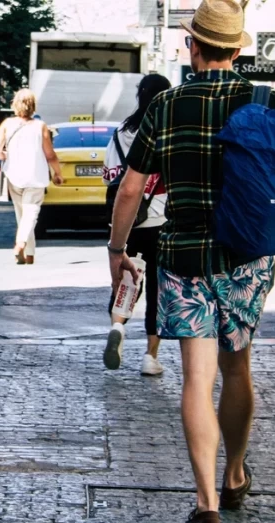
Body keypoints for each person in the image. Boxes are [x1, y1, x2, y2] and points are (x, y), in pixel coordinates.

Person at [107, 0, 275, 523]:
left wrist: (118, 250)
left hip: (182, 257)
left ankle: (205, 504)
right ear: (239, 48)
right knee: (237, 370)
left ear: (193, 45)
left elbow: (132, 188)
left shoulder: (167, 105)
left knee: (196, 379)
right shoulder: (266, 99)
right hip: (246, 258)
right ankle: (234, 473)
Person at [101, 74, 171, 375]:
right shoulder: (166, 131)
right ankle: (150, 357)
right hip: (159, 218)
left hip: (125, 220)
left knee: (128, 279)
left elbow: (108, 175)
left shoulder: (121, 131)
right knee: (156, 288)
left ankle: (118, 326)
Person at [0, 88, 64, 265]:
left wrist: (5, 156)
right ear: (33, 106)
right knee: (30, 213)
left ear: (15, 104)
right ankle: (21, 243)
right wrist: (57, 173)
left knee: (22, 214)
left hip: (13, 176)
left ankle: (29, 255)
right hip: (35, 176)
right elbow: (50, 154)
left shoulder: (7, 124)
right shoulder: (40, 126)